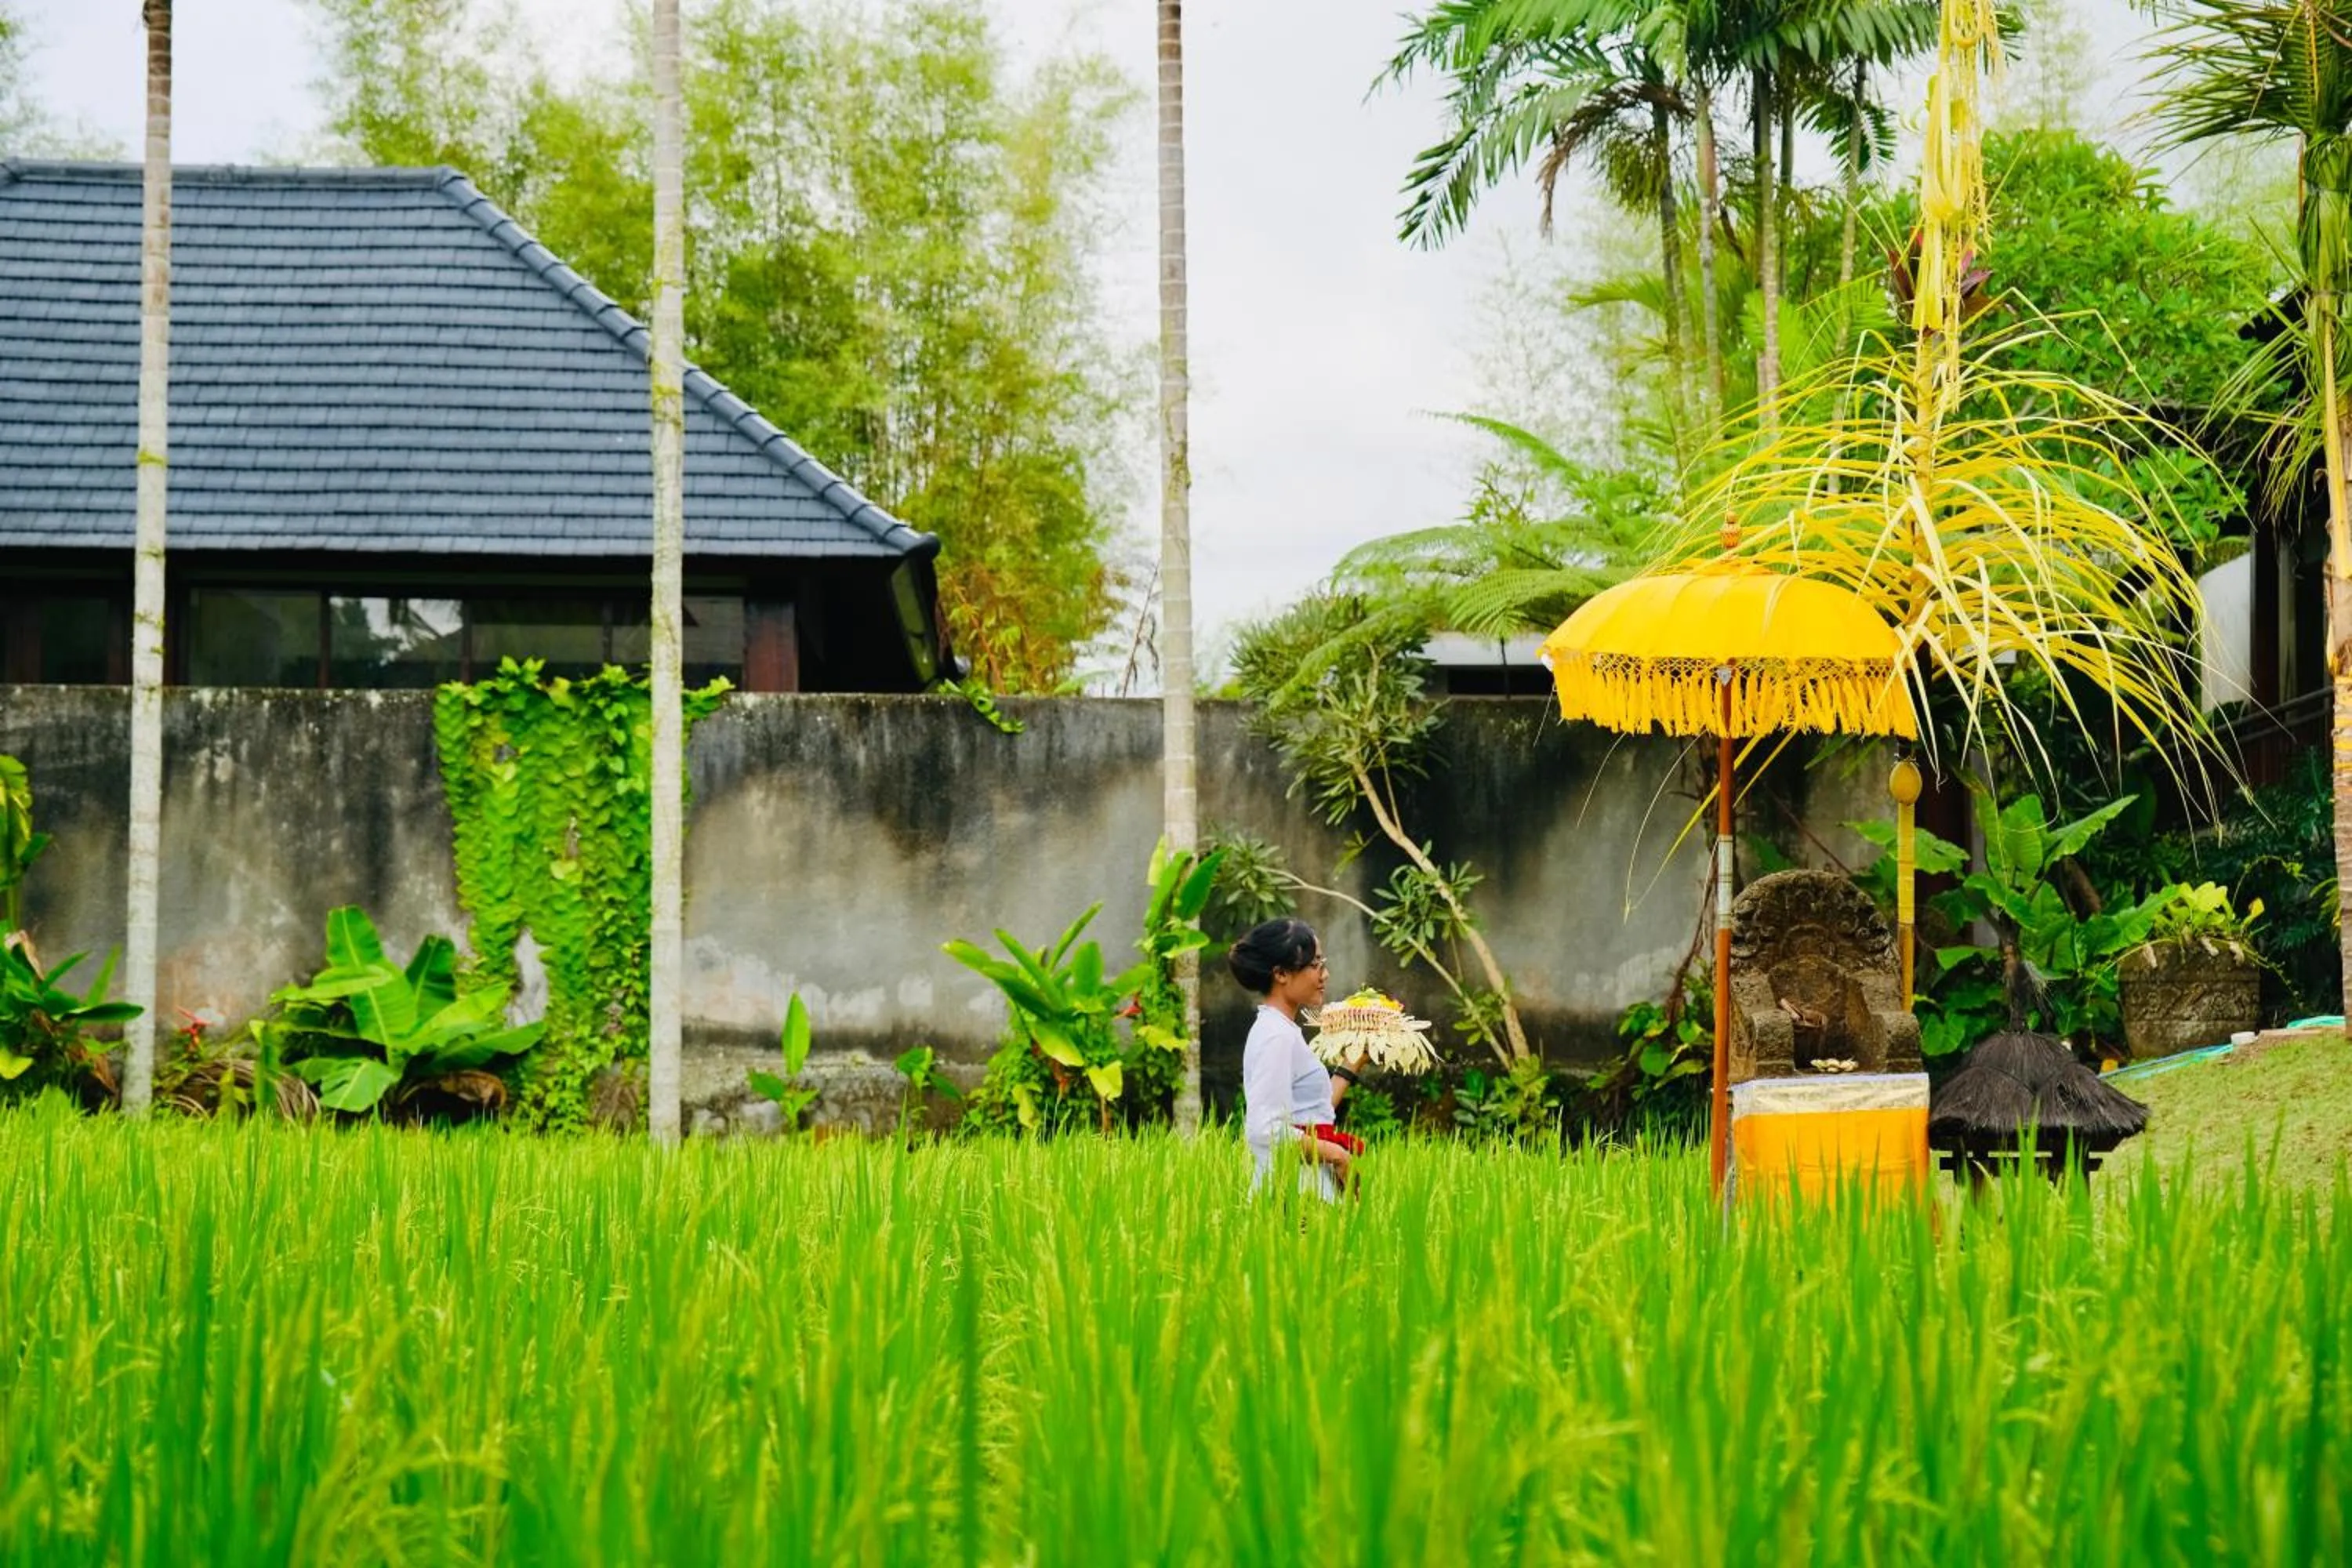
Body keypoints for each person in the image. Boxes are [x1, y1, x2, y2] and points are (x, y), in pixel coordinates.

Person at [1230, 918, 1365, 1202]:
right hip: (1293, 1195)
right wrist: (1338, 1155)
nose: (1324, 974)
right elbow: (1265, 1129)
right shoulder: (1276, 1036)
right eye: (1315, 964)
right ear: (1281, 974)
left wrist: (1350, 1065)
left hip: (1305, 1188)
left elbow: (1311, 1115)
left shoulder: (1280, 1030)